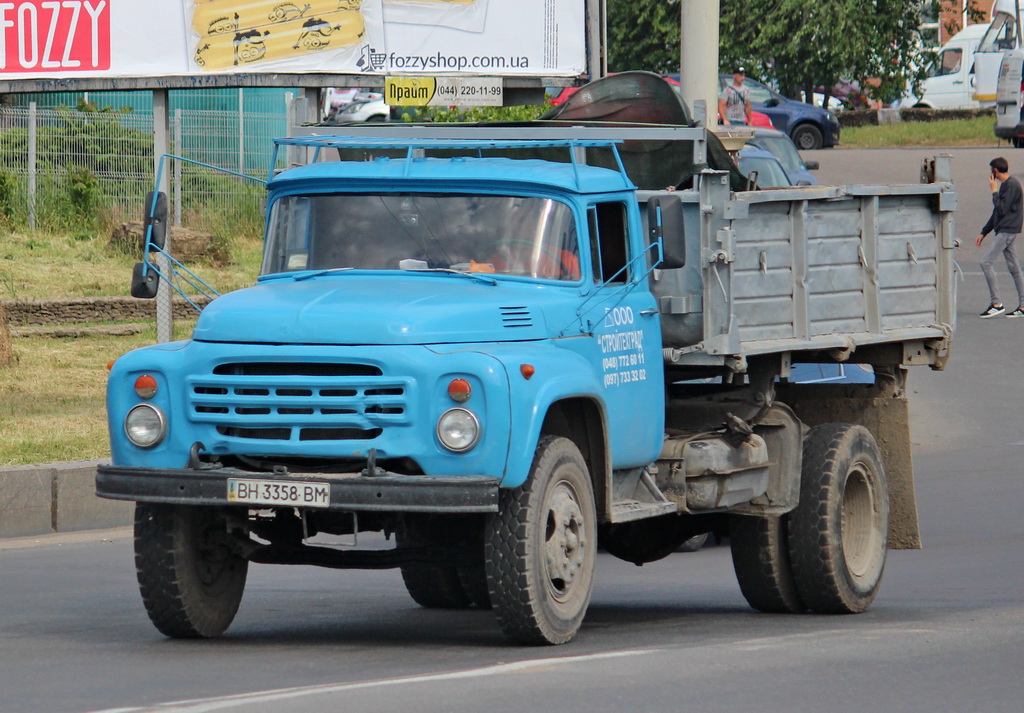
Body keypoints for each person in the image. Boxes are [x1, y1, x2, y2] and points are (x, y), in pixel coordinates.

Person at [976, 156, 1024, 317]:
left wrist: (993, 190)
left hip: (1007, 231)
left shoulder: (1011, 185)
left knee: (986, 263)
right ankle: (1023, 306)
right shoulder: (1007, 185)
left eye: (991, 171)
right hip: (1005, 230)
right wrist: (984, 232)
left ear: (995, 171)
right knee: (1015, 268)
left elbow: (1001, 209)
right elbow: (997, 212)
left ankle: (996, 304)